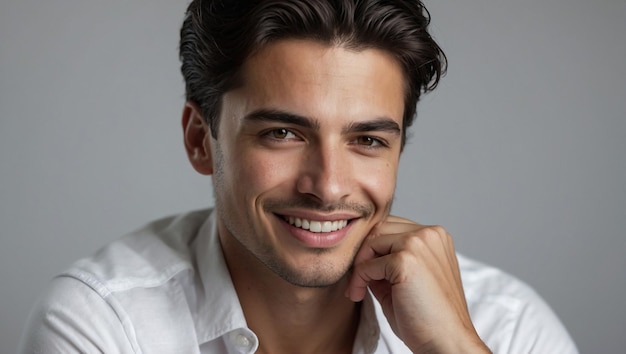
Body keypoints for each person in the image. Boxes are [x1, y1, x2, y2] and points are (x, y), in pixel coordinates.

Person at [19, 0, 578, 353]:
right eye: (283, 134)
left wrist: (451, 349)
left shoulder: (504, 327)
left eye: (367, 140)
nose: (329, 185)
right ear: (199, 139)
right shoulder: (104, 325)